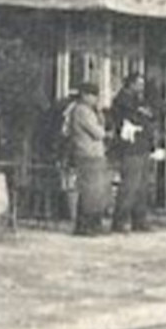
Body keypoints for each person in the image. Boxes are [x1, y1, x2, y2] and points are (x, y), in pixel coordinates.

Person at [110, 73, 162, 233]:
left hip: (142, 146)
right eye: (138, 83)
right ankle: (120, 220)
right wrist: (144, 114)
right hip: (130, 147)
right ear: (130, 84)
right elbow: (137, 117)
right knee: (130, 185)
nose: (141, 87)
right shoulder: (122, 100)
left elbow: (150, 115)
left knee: (142, 186)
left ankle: (139, 219)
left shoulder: (138, 100)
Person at [65, 81, 111, 237]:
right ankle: (84, 225)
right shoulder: (81, 111)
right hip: (87, 153)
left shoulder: (90, 111)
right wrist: (103, 129)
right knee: (89, 190)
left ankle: (93, 223)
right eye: (92, 95)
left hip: (94, 153)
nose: (95, 99)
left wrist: (99, 113)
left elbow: (102, 126)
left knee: (96, 191)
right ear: (84, 95)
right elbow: (98, 133)